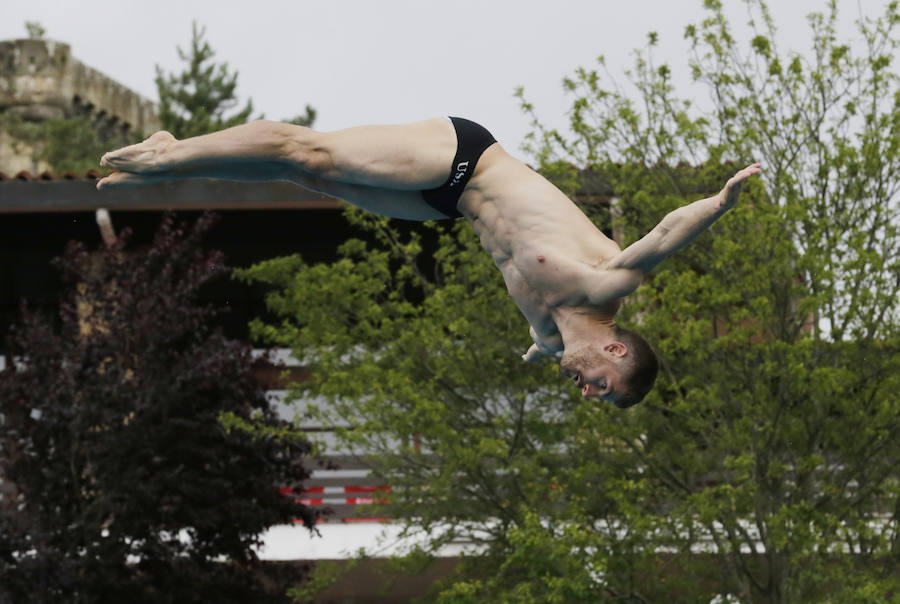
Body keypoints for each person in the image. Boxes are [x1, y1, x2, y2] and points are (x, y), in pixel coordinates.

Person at [97, 117, 761, 408]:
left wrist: (537, 355)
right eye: (601, 388)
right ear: (616, 351)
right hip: (465, 157)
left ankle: (170, 162)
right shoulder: (605, 279)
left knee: (315, 183)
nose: (585, 391)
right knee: (313, 154)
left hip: (448, 207)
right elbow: (671, 233)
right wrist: (722, 203)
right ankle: (169, 155)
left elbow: (538, 348)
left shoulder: (550, 335)